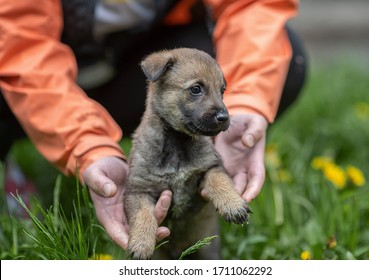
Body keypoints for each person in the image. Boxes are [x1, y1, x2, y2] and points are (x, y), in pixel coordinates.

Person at [0, 0, 306, 251]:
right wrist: (86, 143)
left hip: (132, 72)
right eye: (198, 90)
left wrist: (248, 99)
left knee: (287, 58)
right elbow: (19, 46)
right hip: (34, 79)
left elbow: (250, 6)